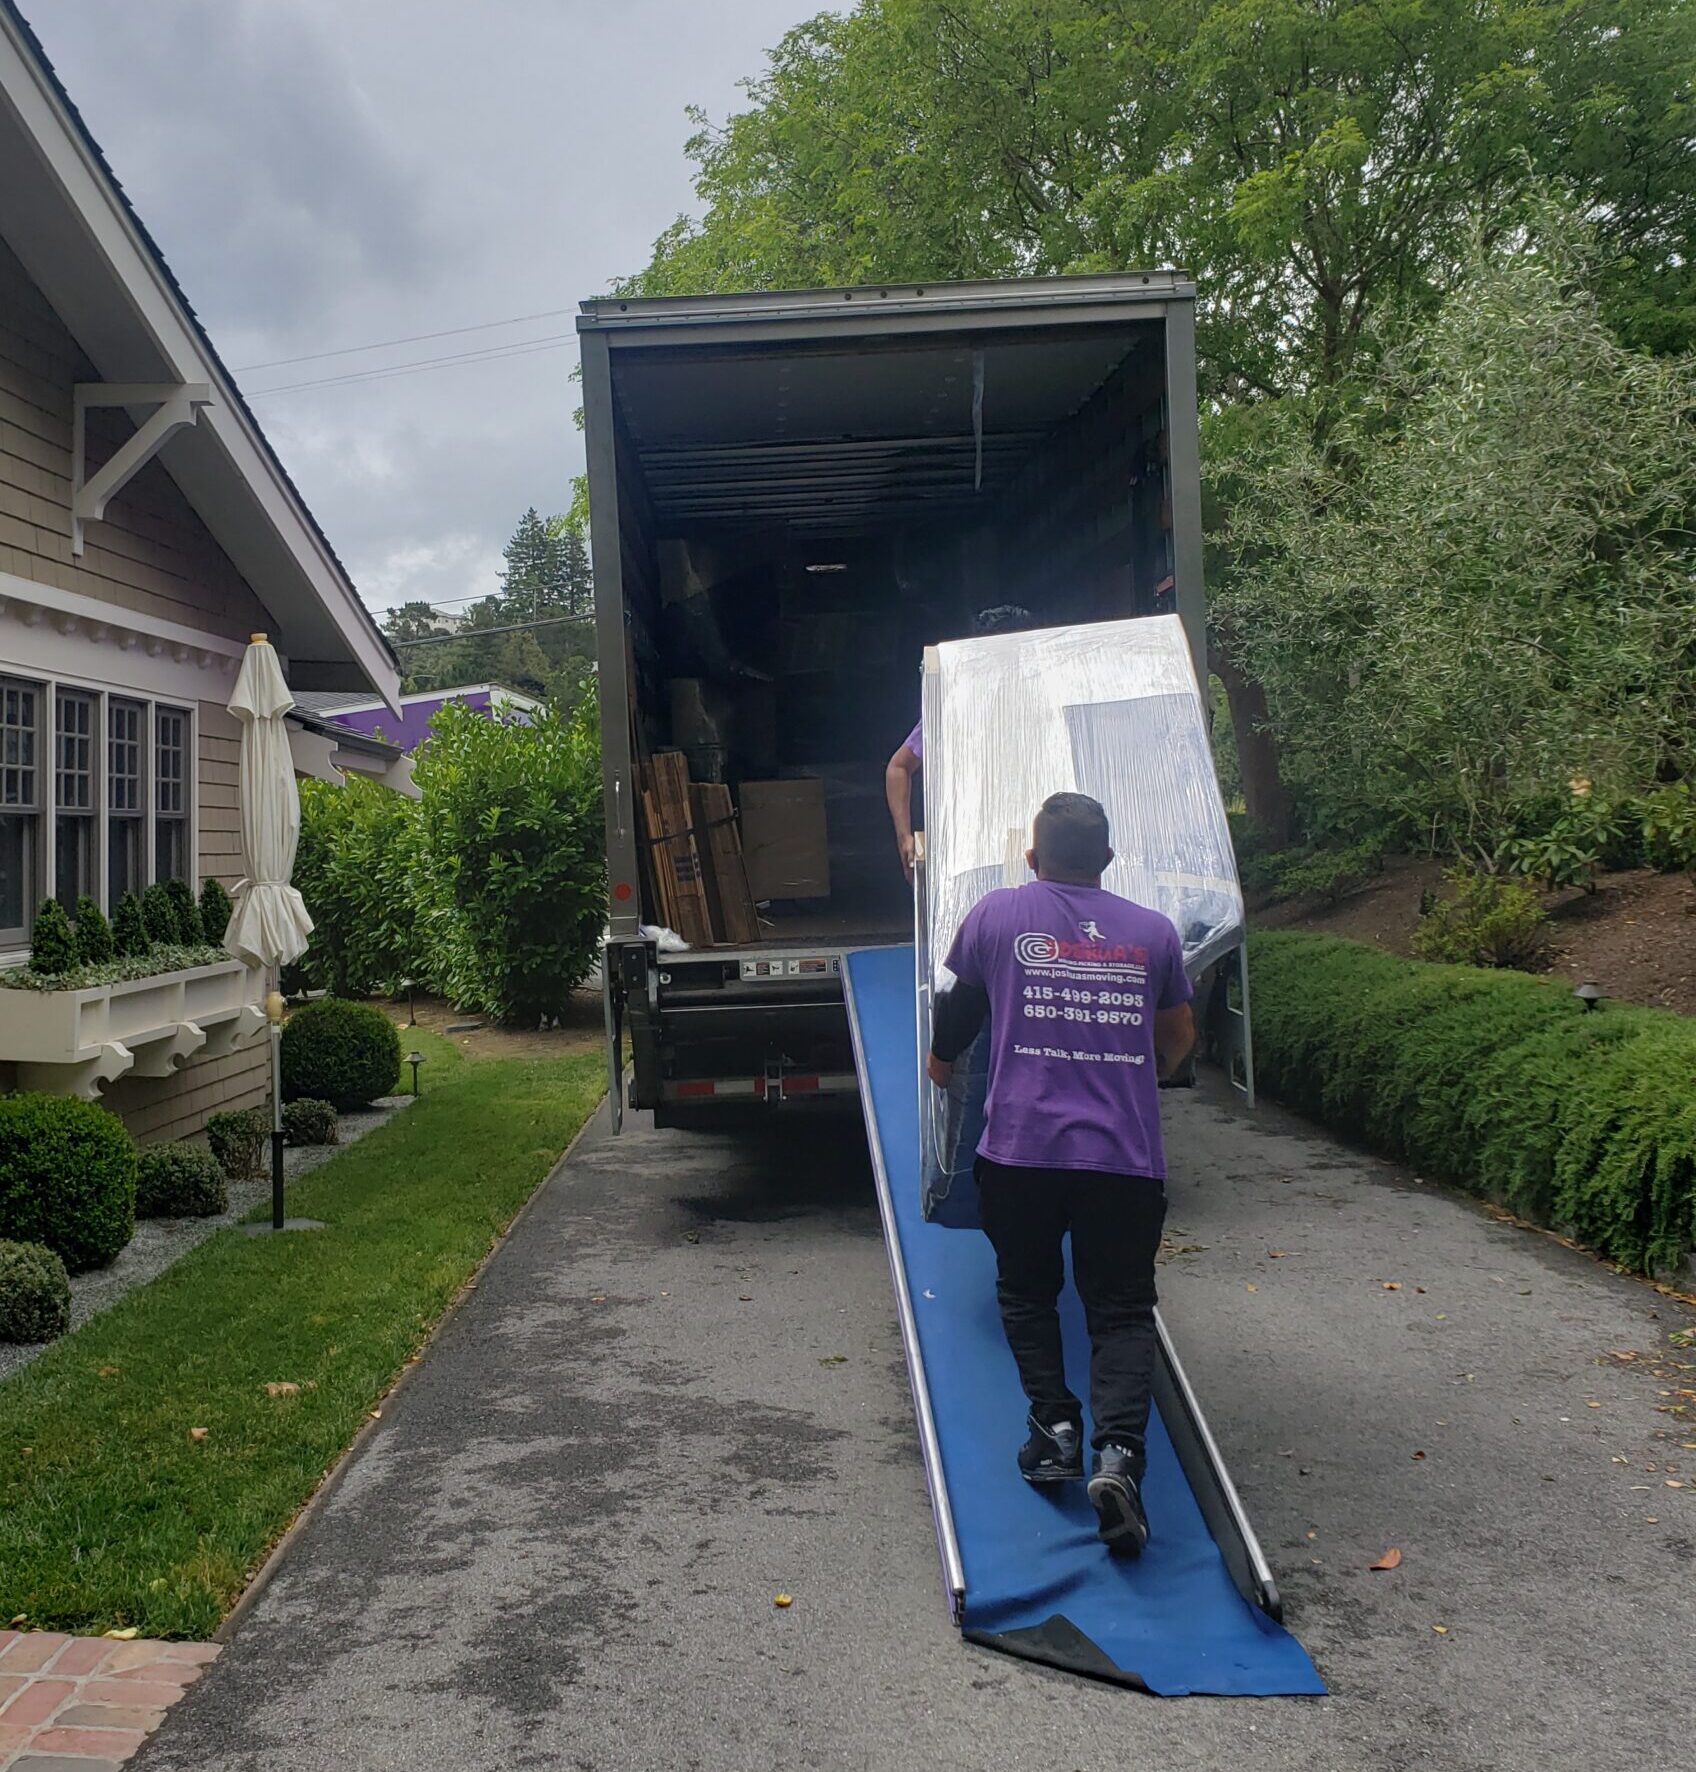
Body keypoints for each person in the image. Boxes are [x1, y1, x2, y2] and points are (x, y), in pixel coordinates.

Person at [926, 792, 1195, 1556]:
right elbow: (1176, 1039)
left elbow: (961, 1010)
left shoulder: (997, 915)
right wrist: (1146, 1067)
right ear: (1107, 862)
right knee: (1119, 1308)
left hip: (1021, 1151)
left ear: (1034, 858)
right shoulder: (1153, 933)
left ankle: (1055, 1429)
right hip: (1125, 1160)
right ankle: (1118, 1457)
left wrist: (942, 1066)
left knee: (1026, 1290)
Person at [885, 604, 1034, 880]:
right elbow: (899, 767)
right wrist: (904, 838)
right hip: (970, 853)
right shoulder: (956, 711)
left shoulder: (1042, 703)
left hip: (1030, 848)